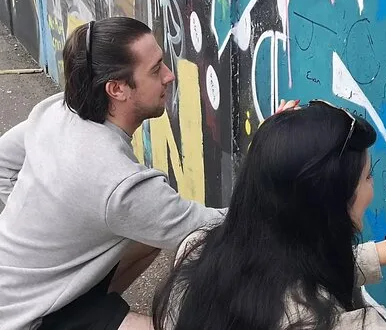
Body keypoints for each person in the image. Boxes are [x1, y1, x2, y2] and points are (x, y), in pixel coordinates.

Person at [152, 100, 386, 329]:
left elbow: (282, 270)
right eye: (367, 177)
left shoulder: (196, 251)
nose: (373, 188)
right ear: (331, 208)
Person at [0, 17, 230, 330]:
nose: (169, 75)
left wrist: (38, 225)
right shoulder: (118, 184)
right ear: (117, 89)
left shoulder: (57, 112)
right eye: (156, 70)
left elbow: (3, 161)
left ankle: (84, 299)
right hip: (25, 320)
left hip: (22, 289)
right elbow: (219, 228)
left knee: (148, 236)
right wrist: (269, 157)